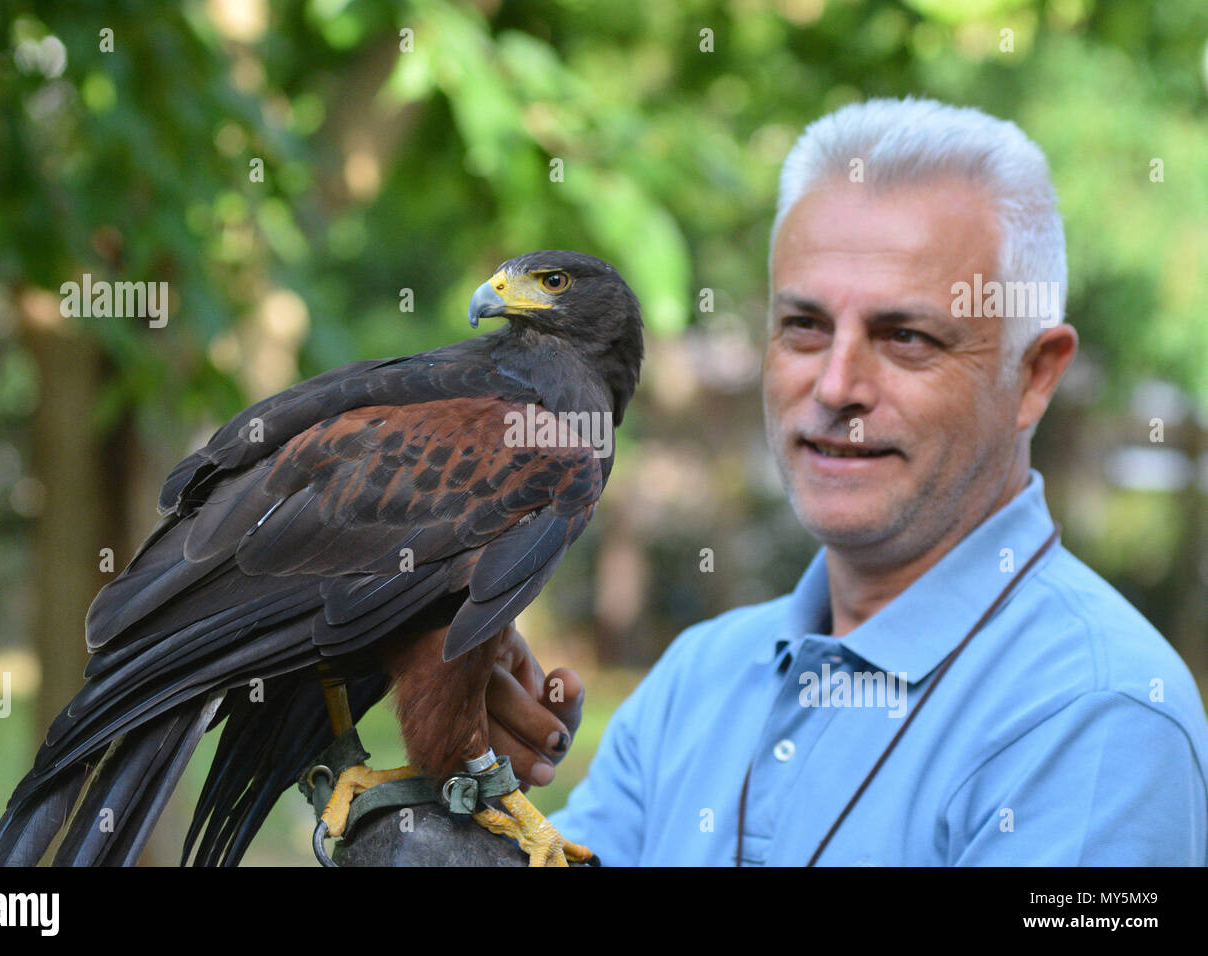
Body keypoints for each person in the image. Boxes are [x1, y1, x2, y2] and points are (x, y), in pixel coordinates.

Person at [484, 97, 1208, 865]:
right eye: (804, 327)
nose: (836, 385)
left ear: (1033, 376)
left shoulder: (1098, 716)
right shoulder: (700, 677)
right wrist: (455, 783)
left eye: (907, 337)